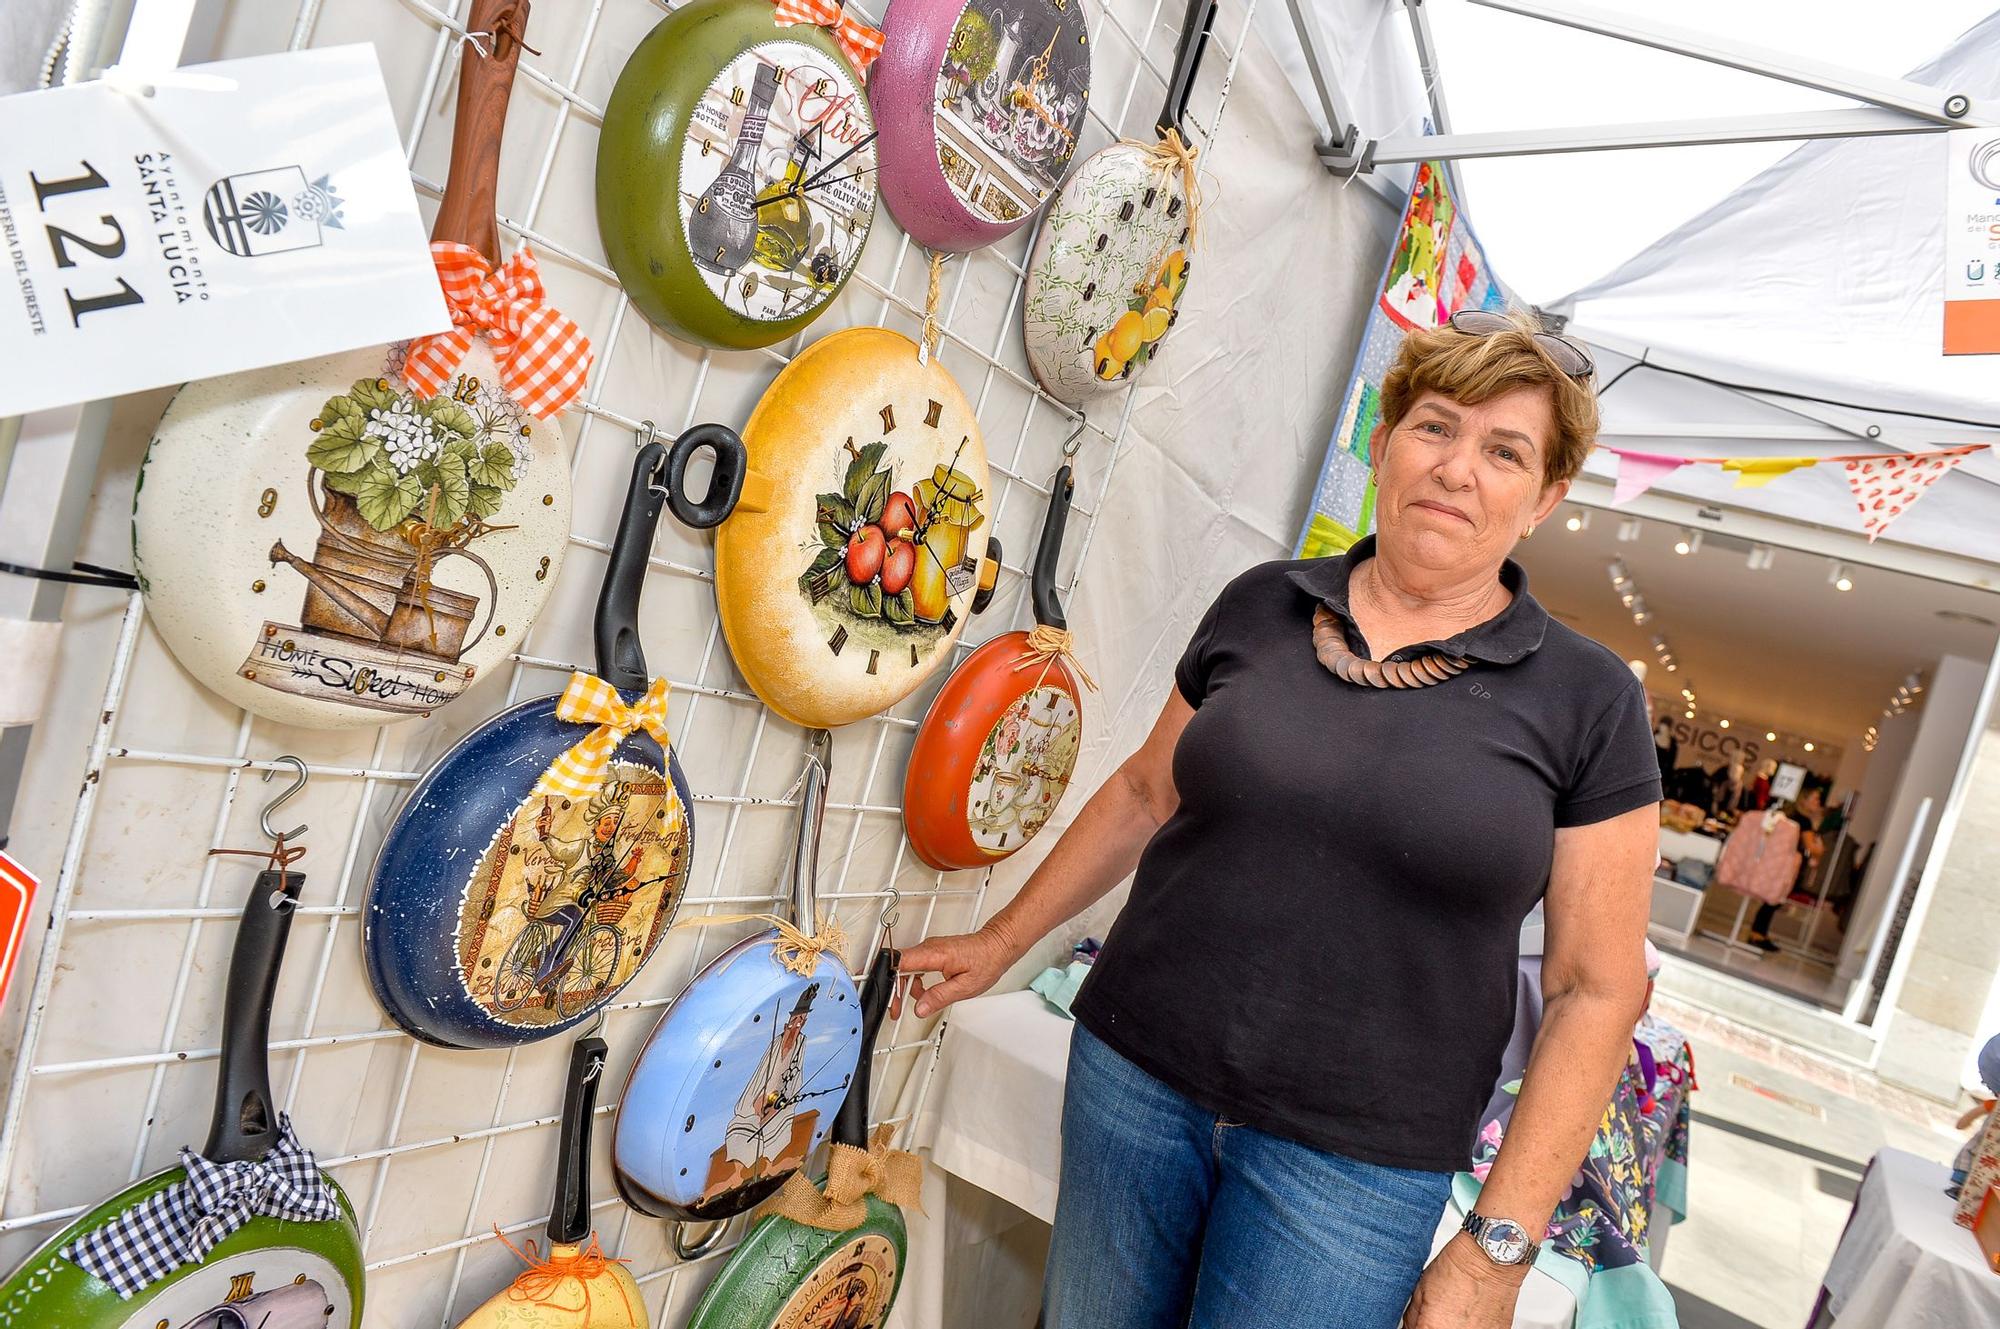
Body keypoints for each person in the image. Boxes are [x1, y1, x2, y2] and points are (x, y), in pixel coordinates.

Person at [898, 310, 1661, 1329]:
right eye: (1434, 428)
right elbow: (1143, 794)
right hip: (1131, 1083)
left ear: (1544, 499)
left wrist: (1495, 1252)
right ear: (1383, 444)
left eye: (1503, 451)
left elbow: (1592, 989)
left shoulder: (1588, 699)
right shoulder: (1261, 603)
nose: (1455, 469)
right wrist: (1001, 939)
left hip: (1352, 1169)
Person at [1746, 784, 1827, 953]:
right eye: (1815, 799)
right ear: (1804, 800)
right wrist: (1820, 849)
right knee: (1774, 899)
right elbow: (1811, 847)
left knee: (1771, 898)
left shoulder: (1788, 815)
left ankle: (1759, 932)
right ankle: (1758, 933)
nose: (1818, 803)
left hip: (1775, 861)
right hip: (1789, 865)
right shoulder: (1804, 822)